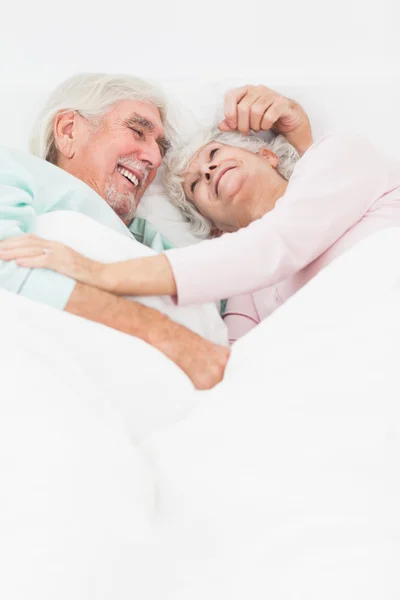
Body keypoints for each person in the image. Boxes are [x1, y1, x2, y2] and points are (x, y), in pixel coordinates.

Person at [2, 83, 337, 347]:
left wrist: (300, 146)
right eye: (137, 130)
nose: (153, 159)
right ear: (68, 130)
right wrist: (164, 336)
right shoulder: (14, 170)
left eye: (159, 148)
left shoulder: (160, 247)